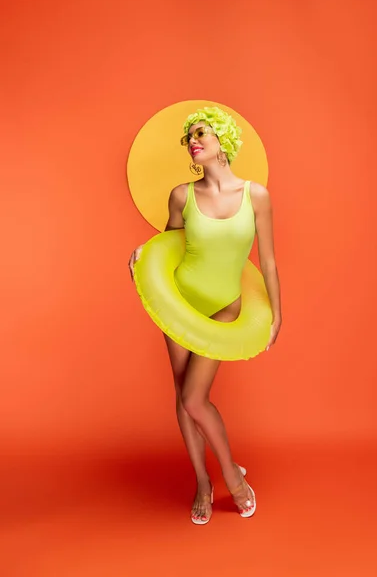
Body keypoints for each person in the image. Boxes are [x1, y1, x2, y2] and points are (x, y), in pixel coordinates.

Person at [129, 107, 282, 525]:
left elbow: (267, 262)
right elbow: (170, 243)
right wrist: (145, 253)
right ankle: (203, 481)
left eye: (201, 133)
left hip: (224, 305)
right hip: (181, 302)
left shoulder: (257, 196)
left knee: (195, 398)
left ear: (224, 140)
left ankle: (232, 476)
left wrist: (277, 315)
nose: (193, 140)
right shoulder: (182, 194)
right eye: (189, 137)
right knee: (183, 398)